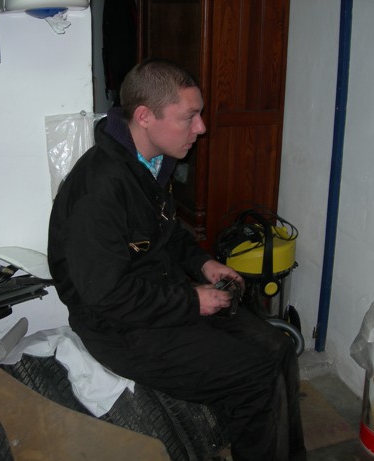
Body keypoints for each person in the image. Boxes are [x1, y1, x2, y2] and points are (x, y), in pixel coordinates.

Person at [48, 58, 306, 461]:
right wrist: (192, 301)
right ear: (145, 116)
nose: (201, 127)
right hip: (118, 326)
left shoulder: (150, 164)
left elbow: (166, 236)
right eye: (189, 117)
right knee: (255, 374)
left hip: (163, 297)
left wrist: (204, 264)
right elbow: (106, 295)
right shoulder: (100, 188)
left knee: (278, 348)